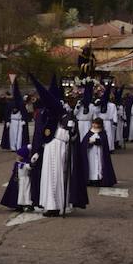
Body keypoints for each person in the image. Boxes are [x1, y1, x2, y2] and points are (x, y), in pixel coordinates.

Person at [31, 76, 88, 217]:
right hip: (49, 149)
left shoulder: (66, 116)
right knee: (48, 177)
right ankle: (48, 204)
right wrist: (38, 150)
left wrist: (71, 131)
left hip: (59, 149)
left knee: (57, 177)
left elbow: (72, 136)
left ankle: (55, 206)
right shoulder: (46, 116)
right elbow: (42, 135)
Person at [82, 118, 117, 187]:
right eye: (94, 123)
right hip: (91, 153)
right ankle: (91, 179)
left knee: (99, 165)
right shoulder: (89, 133)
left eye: (96, 124)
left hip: (100, 153)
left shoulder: (102, 133)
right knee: (92, 166)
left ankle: (99, 179)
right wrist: (89, 143)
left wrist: (98, 142)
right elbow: (84, 143)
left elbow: (105, 143)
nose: (94, 125)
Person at [0, 145, 34, 212]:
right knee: (20, 193)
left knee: (26, 193)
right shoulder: (18, 163)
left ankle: (28, 204)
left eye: (19, 155)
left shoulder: (26, 163)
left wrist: (32, 162)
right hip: (19, 180)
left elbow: (29, 166)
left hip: (25, 180)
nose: (17, 156)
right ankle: (19, 205)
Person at [0, 79, 30, 152]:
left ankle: (19, 147)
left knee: (19, 136)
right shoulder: (10, 104)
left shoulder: (21, 104)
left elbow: (24, 113)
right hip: (12, 122)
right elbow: (7, 113)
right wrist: (7, 121)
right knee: (12, 135)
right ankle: (12, 147)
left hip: (19, 122)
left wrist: (24, 120)